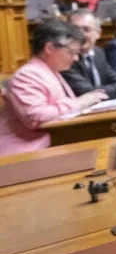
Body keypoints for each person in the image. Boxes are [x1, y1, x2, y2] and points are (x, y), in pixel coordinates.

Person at [0, 21, 106, 154]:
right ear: (49, 48)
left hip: (52, 145)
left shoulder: (51, 71)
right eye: (72, 52)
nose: (76, 58)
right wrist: (79, 102)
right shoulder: (27, 75)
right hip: (27, 152)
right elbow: (35, 117)